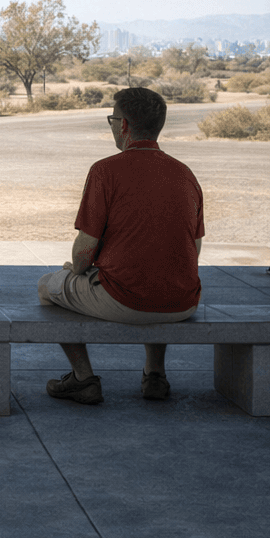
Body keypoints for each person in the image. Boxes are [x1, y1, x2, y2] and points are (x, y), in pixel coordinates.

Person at [37, 86, 203, 405]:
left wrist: (76, 271)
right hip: (183, 302)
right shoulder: (185, 174)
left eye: (113, 120)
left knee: (48, 286)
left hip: (126, 301)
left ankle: (83, 378)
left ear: (123, 125)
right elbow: (192, 250)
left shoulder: (105, 171)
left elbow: (84, 251)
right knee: (158, 274)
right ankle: (154, 374)